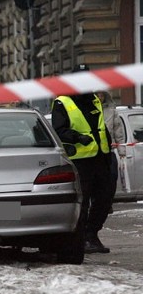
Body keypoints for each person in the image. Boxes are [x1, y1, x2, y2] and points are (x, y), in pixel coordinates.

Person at [51, 63, 112, 254]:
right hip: (81, 160)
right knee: (83, 201)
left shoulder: (94, 98)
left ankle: (92, 234)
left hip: (102, 158)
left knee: (104, 199)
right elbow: (59, 129)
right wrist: (77, 137)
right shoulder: (63, 102)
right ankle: (81, 238)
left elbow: (100, 126)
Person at [97, 90, 126, 213]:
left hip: (110, 150)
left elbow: (118, 132)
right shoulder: (90, 110)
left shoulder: (112, 111)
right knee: (97, 179)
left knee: (112, 177)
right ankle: (97, 202)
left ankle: (108, 202)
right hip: (95, 152)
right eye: (97, 95)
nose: (100, 97)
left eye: (102, 95)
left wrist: (122, 151)